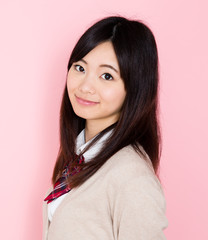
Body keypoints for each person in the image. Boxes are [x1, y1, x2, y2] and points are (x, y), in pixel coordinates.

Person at [42, 16, 168, 240]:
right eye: (80, 68)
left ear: (135, 89)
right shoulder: (79, 156)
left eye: (107, 76)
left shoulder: (132, 176)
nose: (85, 86)